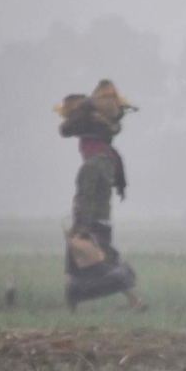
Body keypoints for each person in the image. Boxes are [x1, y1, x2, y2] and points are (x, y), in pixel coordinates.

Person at [58, 80, 145, 312]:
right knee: (88, 264)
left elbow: (86, 196)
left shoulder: (92, 165)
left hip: (90, 222)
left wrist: (82, 226)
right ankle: (72, 309)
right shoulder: (108, 157)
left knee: (99, 264)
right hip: (100, 219)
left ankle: (134, 301)